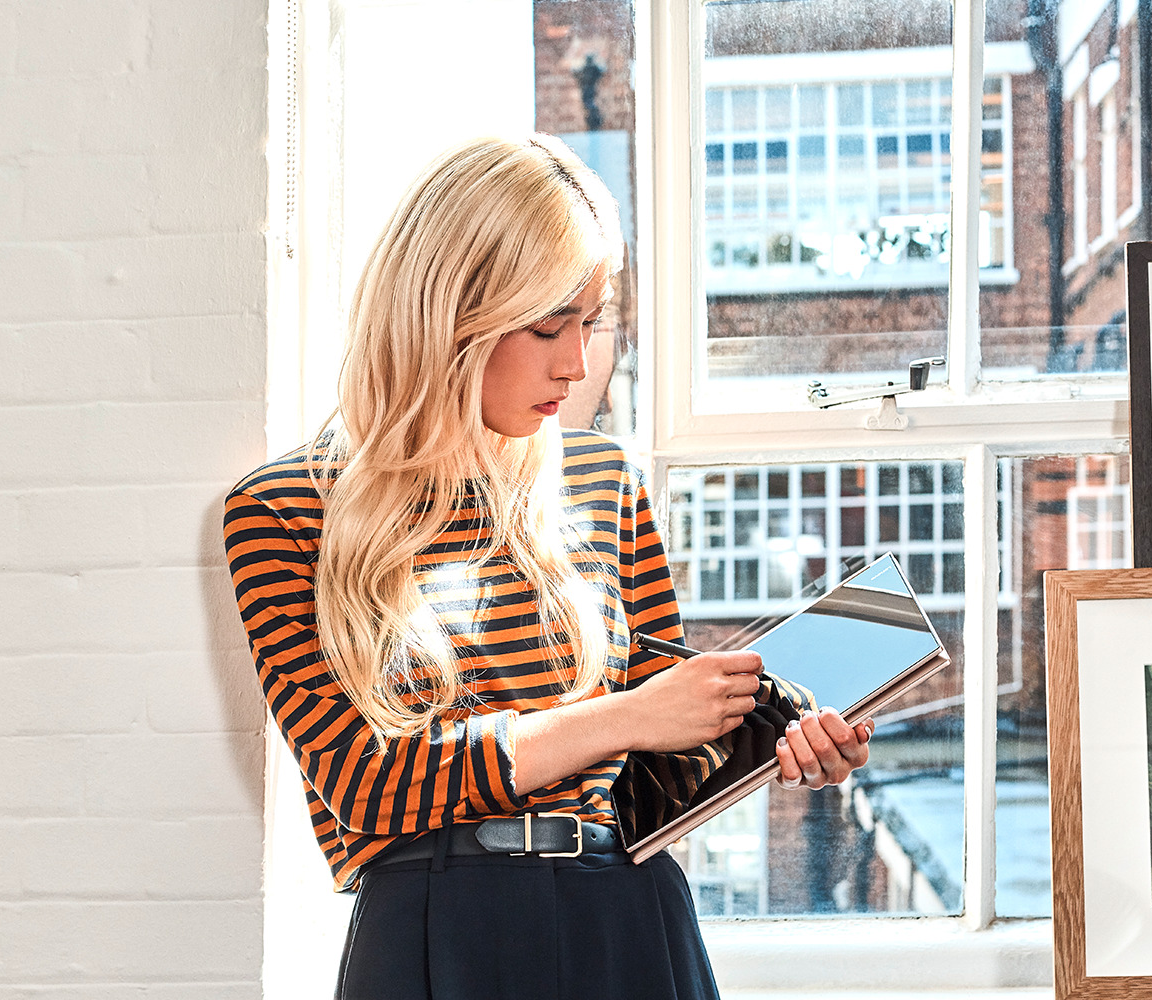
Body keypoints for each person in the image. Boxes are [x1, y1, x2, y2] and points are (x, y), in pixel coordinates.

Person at [221, 136, 876, 999]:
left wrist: (769, 738)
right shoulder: (283, 510)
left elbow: (653, 769)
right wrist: (622, 716)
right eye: (545, 326)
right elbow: (367, 788)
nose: (575, 362)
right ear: (448, 312)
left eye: (590, 323)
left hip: (630, 917)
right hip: (431, 933)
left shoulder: (601, 482)